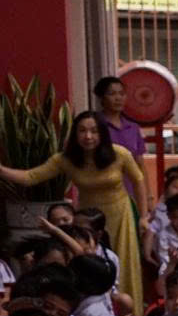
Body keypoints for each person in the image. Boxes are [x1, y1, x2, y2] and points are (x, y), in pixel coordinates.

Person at [0, 110, 147, 288]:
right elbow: (30, 177)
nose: (88, 136)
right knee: (87, 259)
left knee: (122, 263)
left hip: (120, 215)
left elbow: (138, 180)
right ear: (75, 133)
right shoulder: (65, 159)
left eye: (94, 131)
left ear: (102, 133)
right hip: (85, 219)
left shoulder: (120, 154)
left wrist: (144, 216)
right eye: (82, 131)